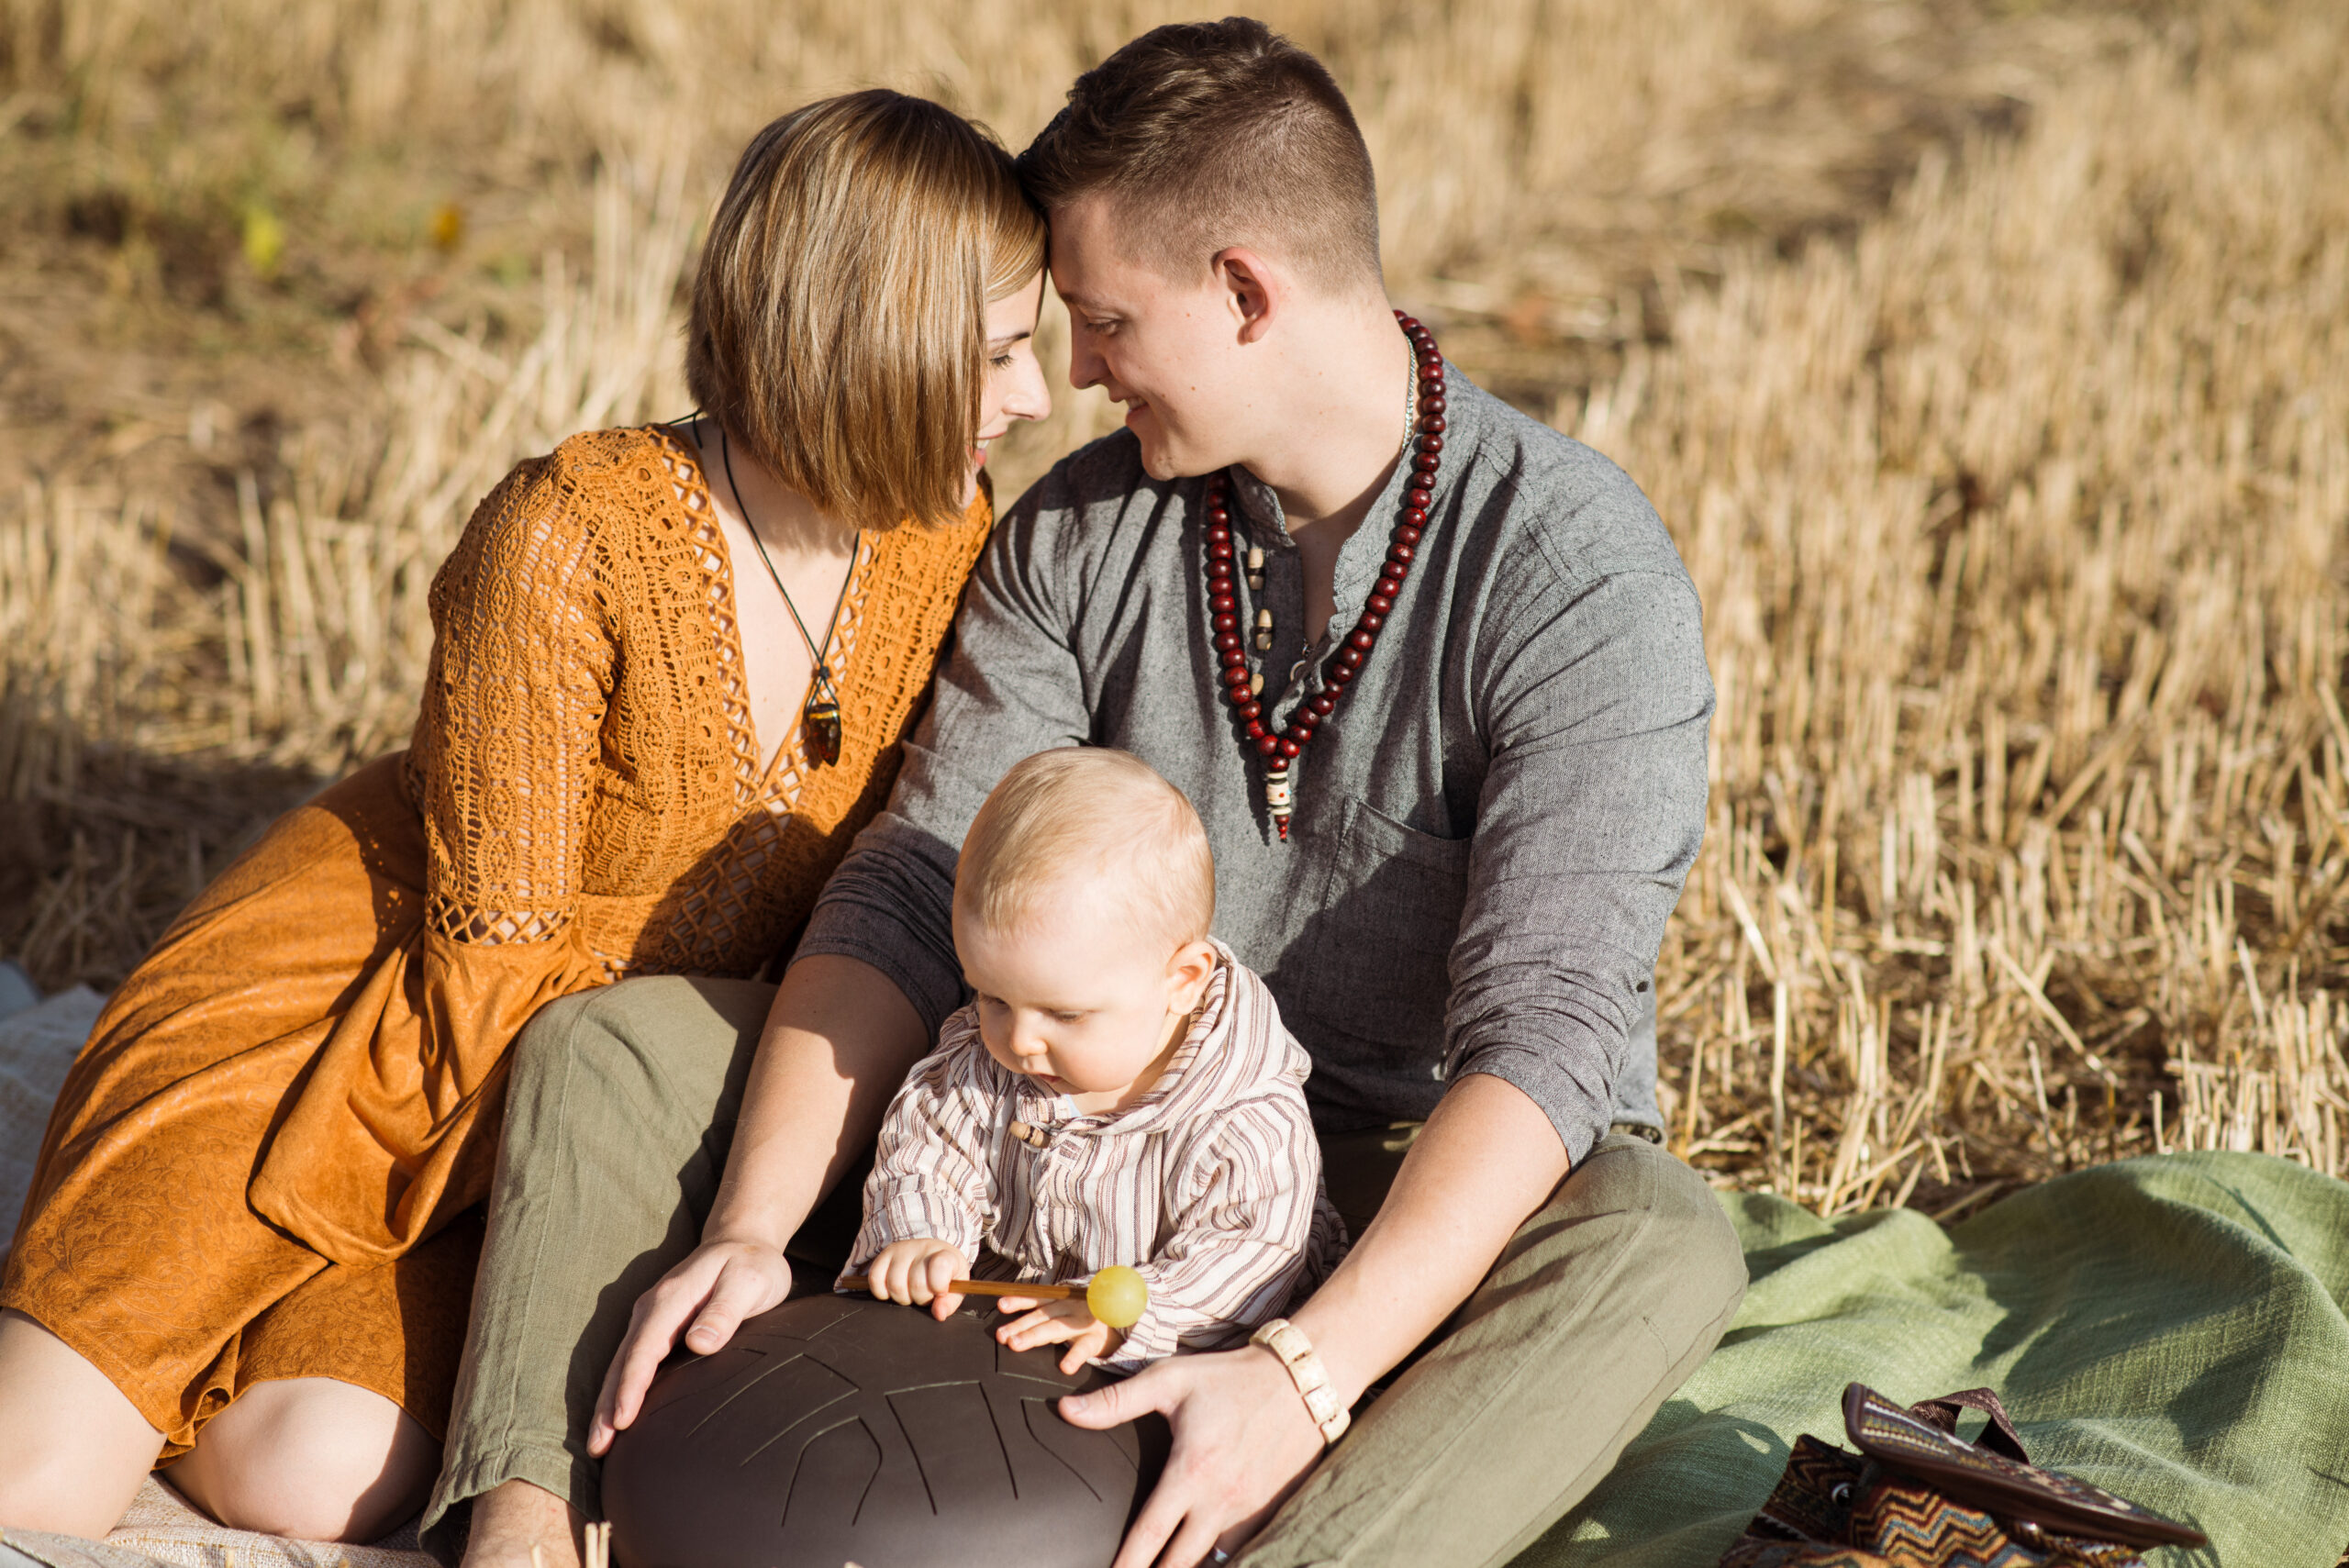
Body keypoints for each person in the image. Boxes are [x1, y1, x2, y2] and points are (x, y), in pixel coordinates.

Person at [443, 18, 1746, 1568]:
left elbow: (1547, 1037)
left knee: (1661, 1236)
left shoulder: (1576, 578)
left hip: (1390, 1180)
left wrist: (1301, 1371)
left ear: (1245, 292)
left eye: (1108, 319)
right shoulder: (1081, 529)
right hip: (1034, 1101)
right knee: (618, 1047)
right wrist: (748, 1221)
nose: (1071, 369)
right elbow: (914, 885)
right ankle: (527, 1521)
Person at [0, 88, 1047, 1543]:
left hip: (549, 1123)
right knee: (29, 1478)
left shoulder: (952, 542)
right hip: (357, 1028)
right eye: (1001, 351)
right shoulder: (569, 533)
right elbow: (482, 978)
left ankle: (241, 1356)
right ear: (873, 333)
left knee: (321, 1476)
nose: (1037, 395)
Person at [850, 747, 1344, 1375]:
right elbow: (931, 1147)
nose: (1020, 1039)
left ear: (1183, 981)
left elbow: (1251, 1253)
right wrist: (924, 1234)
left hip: (1184, 1357)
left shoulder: (1244, 1119)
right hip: (1000, 1332)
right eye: (992, 995)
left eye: (1066, 1014)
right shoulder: (987, 1058)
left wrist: (1135, 1316)